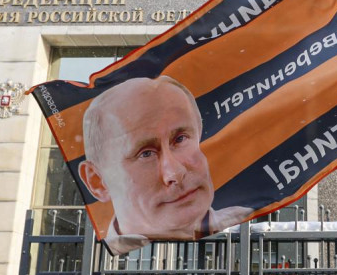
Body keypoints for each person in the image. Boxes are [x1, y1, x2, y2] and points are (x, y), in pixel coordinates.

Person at [79, 76, 250, 253]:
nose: (175, 173)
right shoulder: (96, 260)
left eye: (180, 139)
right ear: (97, 182)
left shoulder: (246, 224)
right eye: (145, 153)